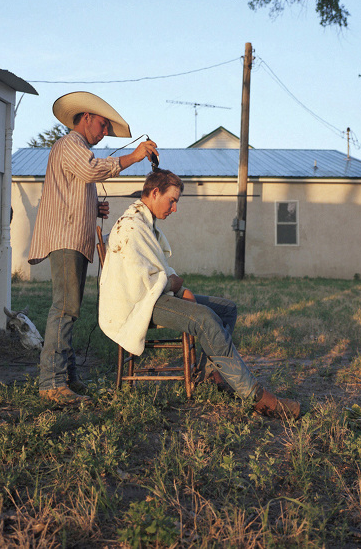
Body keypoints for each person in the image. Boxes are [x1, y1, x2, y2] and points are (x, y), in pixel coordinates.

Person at [98, 169, 300, 418]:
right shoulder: (131, 227)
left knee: (226, 309)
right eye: (172, 201)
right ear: (154, 192)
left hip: (153, 297)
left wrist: (179, 288)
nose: (174, 208)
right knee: (205, 318)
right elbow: (138, 285)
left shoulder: (143, 224)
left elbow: (151, 271)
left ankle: (210, 375)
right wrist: (174, 286)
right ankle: (256, 396)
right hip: (139, 306)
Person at [29, 91, 158, 405]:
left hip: (73, 237)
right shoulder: (70, 145)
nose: (103, 133)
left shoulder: (77, 149)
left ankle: (66, 378)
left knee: (69, 309)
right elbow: (89, 170)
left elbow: (76, 186)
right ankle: (52, 383)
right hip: (66, 238)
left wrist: (92, 209)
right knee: (64, 309)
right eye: (102, 125)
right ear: (85, 117)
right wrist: (135, 156)